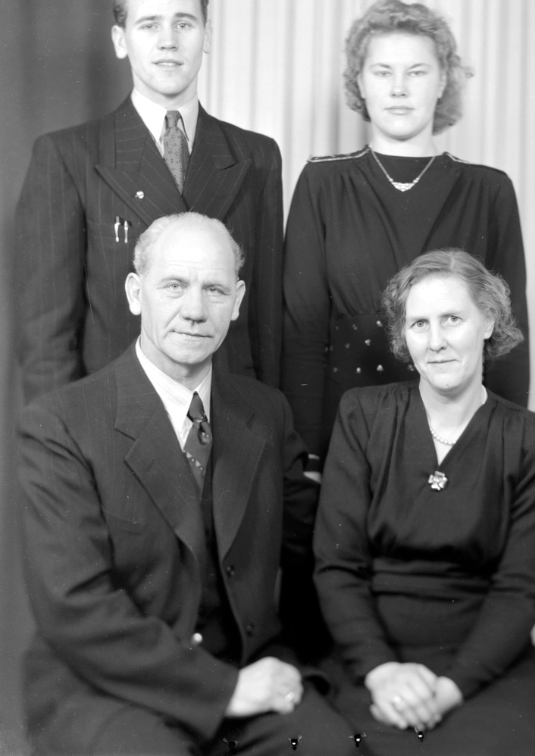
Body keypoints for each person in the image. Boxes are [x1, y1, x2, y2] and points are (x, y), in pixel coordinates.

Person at [19, 213, 361, 756]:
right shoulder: (60, 423)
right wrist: (226, 690)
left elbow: (315, 548)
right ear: (136, 294)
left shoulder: (265, 412)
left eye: (215, 289)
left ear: (239, 300)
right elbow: (75, 609)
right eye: (174, 286)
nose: (196, 310)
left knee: (332, 748)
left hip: (245, 669)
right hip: (111, 690)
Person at [313, 249, 535, 755]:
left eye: (452, 319)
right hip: (371, 659)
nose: (436, 341)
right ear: (402, 337)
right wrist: (382, 672)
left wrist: (447, 692)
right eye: (419, 324)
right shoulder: (363, 415)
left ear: (488, 320)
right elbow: (336, 566)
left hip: (483, 670)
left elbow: (521, 589)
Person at [16, 0, 282, 405]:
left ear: (207, 35)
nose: (168, 42)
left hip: (231, 419)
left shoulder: (256, 156)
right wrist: (63, 451)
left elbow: (266, 324)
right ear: (121, 40)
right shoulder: (69, 156)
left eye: (184, 23)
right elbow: (47, 339)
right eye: (149, 25)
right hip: (113, 421)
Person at [282, 0, 529, 474]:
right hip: (346, 436)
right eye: (382, 72)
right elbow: (303, 332)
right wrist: (307, 454)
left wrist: (506, 446)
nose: (398, 89)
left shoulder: (488, 190)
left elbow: (510, 340)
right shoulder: (323, 183)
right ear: (359, 82)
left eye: (416, 72)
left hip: (461, 437)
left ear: (443, 82)